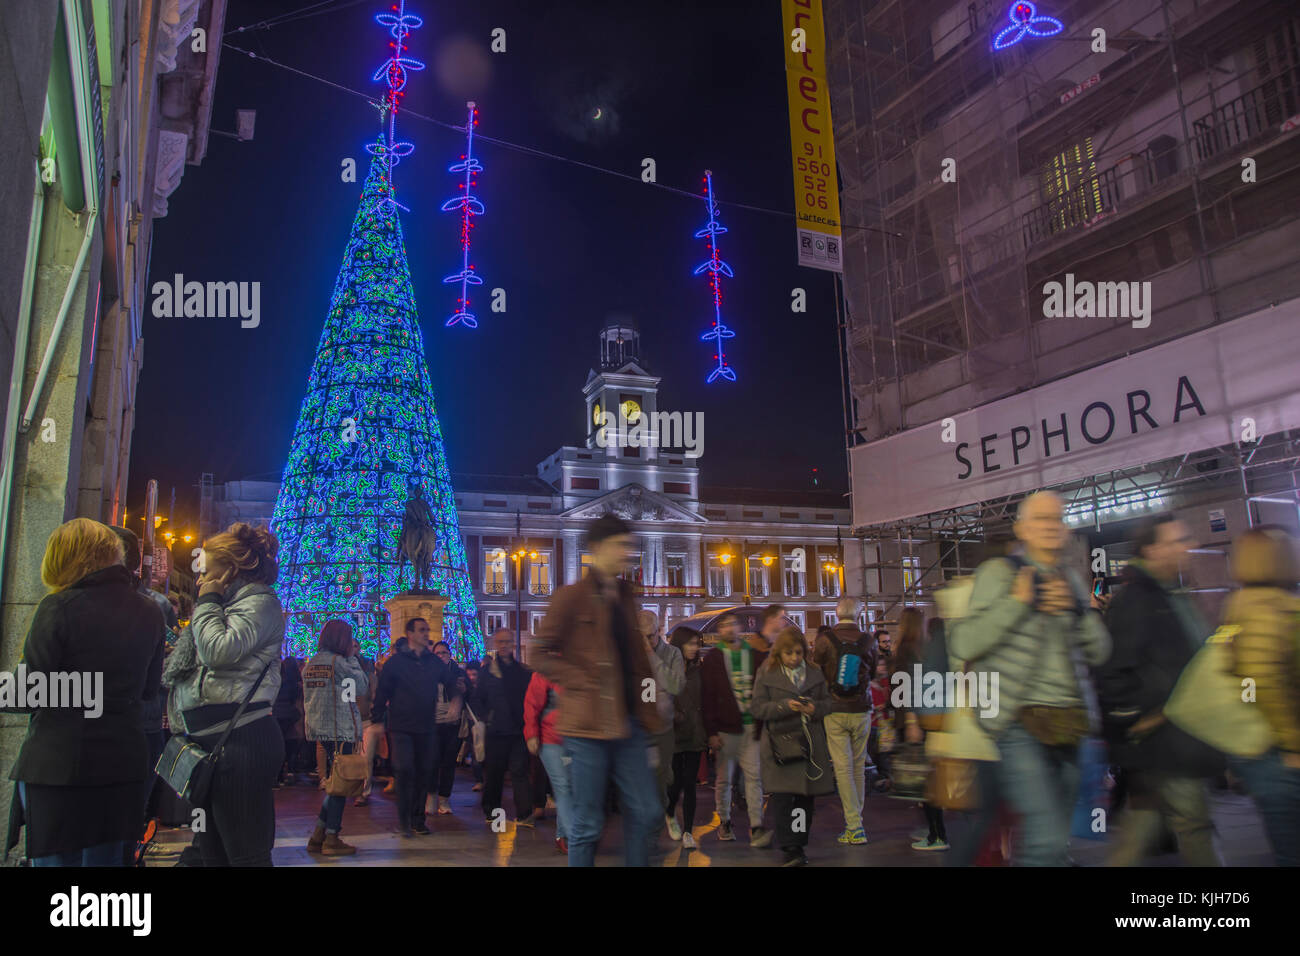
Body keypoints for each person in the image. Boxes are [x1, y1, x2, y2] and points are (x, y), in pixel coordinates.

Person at [948, 491, 1110, 866]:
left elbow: (1100, 651)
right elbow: (964, 641)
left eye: (1057, 519)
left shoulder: (1069, 578)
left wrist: (1079, 611)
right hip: (1018, 723)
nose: (1051, 527)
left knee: (1055, 841)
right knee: (1045, 840)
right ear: (1021, 528)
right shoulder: (998, 574)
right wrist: (1017, 603)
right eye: (1041, 519)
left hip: (1070, 722)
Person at [5, 519, 165, 866]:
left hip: (58, 765)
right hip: (122, 761)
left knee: (55, 864)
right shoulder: (150, 611)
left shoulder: (58, 607)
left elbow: (25, 693)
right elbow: (150, 690)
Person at [532, 514, 663, 866]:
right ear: (596, 548)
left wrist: (650, 709)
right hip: (587, 726)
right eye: (620, 545)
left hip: (628, 724)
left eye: (629, 546)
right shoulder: (571, 598)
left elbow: (639, 662)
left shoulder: (624, 595)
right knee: (588, 823)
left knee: (648, 811)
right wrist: (578, 680)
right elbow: (538, 653)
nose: (627, 553)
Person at [1097, 515, 1224, 866]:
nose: (1186, 546)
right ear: (1151, 549)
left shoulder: (1165, 594)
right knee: (1194, 825)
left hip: (1169, 734)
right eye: (1174, 541)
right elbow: (1112, 669)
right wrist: (1139, 718)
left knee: (1143, 827)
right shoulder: (1139, 600)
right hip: (1162, 737)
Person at [164, 523, 285, 867]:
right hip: (211, 743)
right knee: (212, 852)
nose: (199, 575)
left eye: (206, 567)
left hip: (242, 741)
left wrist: (206, 603)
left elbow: (219, 650)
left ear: (231, 569)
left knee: (245, 854)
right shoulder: (224, 606)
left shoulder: (260, 604)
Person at [1221, 527, 1300, 866]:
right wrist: (1291, 745)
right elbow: (1257, 679)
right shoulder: (1266, 608)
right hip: (1279, 753)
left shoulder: (1239, 605)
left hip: (1260, 747)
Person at [750, 626, 835, 865]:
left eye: (798, 653)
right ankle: (790, 846)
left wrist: (814, 708)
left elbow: (828, 703)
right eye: (789, 653)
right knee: (783, 798)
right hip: (780, 746)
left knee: (804, 799)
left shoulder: (815, 672)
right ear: (780, 653)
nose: (794, 658)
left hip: (808, 745)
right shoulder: (766, 672)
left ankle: (798, 844)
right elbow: (757, 708)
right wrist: (785, 705)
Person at [370, 617, 448, 836]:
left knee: (425, 771)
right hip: (402, 726)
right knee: (404, 770)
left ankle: (417, 819)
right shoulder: (396, 663)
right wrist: (377, 719)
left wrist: (458, 698)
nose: (426, 633)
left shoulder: (433, 662)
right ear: (410, 634)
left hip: (426, 726)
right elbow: (383, 692)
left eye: (427, 629)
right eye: (421, 630)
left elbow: (450, 681)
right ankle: (404, 820)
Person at [701, 612, 770, 846]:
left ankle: (756, 824)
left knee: (754, 777)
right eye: (725, 625)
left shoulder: (753, 654)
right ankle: (725, 821)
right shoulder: (713, 658)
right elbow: (707, 696)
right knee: (724, 779)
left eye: (733, 624)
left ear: (740, 628)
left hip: (751, 725)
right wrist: (711, 731)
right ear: (719, 631)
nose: (730, 629)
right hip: (726, 728)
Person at [812, 597, 876, 846]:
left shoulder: (825, 640)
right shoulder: (868, 640)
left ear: (836, 614)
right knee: (858, 767)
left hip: (834, 709)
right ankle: (856, 820)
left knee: (843, 768)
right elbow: (871, 668)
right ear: (858, 614)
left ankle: (854, 826)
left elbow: (815, 669)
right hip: (862, 709)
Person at [304, 620, 368, 856]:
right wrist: (352, 658)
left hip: (321, 729)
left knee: (335, 783)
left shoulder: (312, 663)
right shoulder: (340, 663)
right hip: (341, 729)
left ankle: (318, 835)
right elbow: (359, 688)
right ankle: (331, 837)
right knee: (342, 785)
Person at [894, 608, 949, 851]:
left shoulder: (907, 650)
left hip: (915, 719)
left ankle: (937, 834)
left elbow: (908, 685)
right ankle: (934, 829)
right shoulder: (922, 649)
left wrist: (910, 720)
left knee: (922, 779)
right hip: (927, 718)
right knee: (926, 777)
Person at [471, 629, 535, 826]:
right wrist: (486, 717)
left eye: (507, 641)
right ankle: (493, 812)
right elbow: (477, 699)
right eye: (500, 642)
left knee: (518, 771)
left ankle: (524, 814)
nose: (504, 645)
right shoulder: (488, 672)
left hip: (516, 729)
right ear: (496, 644)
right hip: (496, 730)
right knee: (495, 773)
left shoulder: (522, 672)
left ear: (512, 644)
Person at [639, 609, 684, 844]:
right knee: (640, 779)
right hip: (638, 728)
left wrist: (653, 659)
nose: (646, 642)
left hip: (663, 726)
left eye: (650, 636)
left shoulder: (672, 653)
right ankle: (649, 828)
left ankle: (667, 813)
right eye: (641, 637)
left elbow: (676, 685)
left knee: (663, 778)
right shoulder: (631, 656)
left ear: (658, 631)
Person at [666, 626, 707, 848]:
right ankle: (670, 812)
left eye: (697, 643)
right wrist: (673, 714)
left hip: (694, 732)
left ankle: (689, 831)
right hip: (673, 733)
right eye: (690, 643)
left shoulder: (698, 670)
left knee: (690, 783)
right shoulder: (669, 669)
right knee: (675, 783)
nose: (695, 648)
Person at [524, 670, 571, 853]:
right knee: (563, 785)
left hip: (575, 739)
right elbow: (532, 705)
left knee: (571, 787)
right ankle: (567, 836)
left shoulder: (581, 663)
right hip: (551, 739)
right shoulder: (546, 671)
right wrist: (532, 735)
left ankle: (565, 834)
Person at [429, 640, 465, 815]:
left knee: (449, 762)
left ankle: (444, 798)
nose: (441, 656)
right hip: (433, 722)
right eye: (438, 653)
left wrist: (464, 690)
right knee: (433, 761)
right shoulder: (428, 672)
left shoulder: (457, 673)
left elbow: (469, 693)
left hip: (452, 722)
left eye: (444, 652)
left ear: (450, 654)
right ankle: (432, 795)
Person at [351, 638, 379, 806]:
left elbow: (375, 695)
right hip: (350, 721)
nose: (353, 649)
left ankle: (364, 791)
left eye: (355, 646)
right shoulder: (345, 673)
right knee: (353, 757)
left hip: (367, 721)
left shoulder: (369, 675)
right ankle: (354, 788)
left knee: (365, 757)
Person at [272, 656, 305, 785]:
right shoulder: (293, 683)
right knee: (290, 743)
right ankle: (290, 770)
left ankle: (278, 776)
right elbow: (295, 699)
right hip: (289, 715)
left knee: (278, 745)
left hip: (275, 714)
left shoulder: (275, 681)